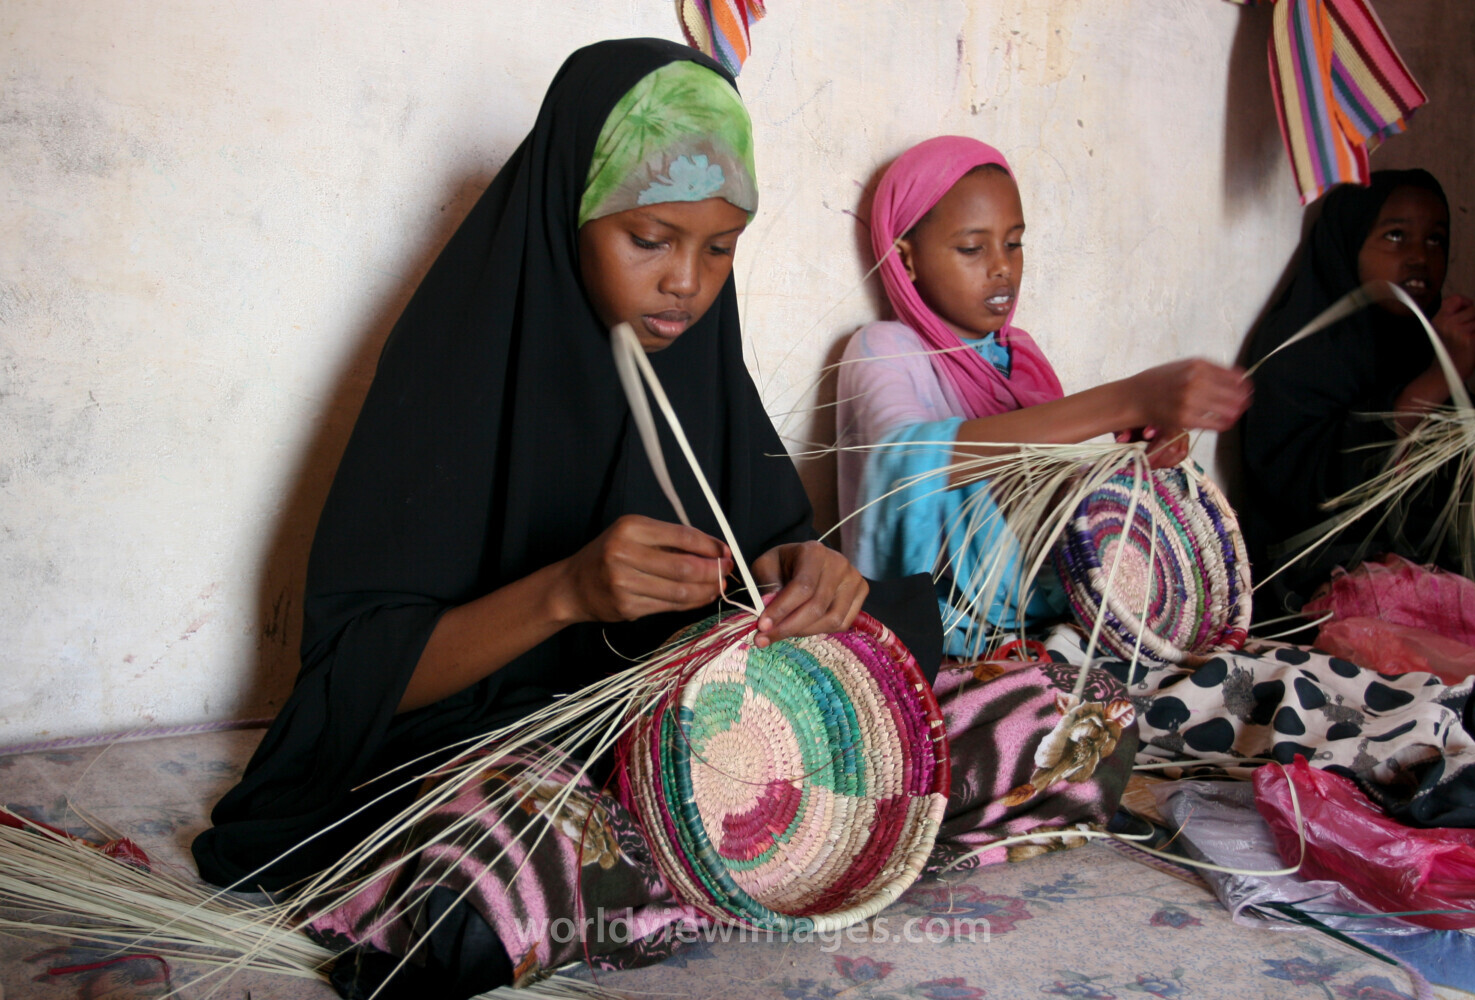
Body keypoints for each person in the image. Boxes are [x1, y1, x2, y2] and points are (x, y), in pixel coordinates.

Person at [191, 39, 940, 997]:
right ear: (568, 214)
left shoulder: (700, 364)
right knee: (497, 871)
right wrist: (566, 593)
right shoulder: (452, 372)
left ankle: (675, 868)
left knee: (936, 682)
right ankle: (611, 880)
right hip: (497, 750)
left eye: (721, 249)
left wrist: (807, 573)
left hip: (674, 743)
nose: (687, 284)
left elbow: (762, 572)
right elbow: (351, 680)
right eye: (650, 239)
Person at [837, 136, 1251, 658]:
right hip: (934, 635)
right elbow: (907, 463)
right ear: (906, 258)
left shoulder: (1020, 358)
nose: (1002, 267)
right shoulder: (883, 348)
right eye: (972, 248)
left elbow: (1041, 493)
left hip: (1043, 618)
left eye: (1014, 243)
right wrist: (1124, 400)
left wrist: (1127, 467)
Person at [1240, 169, 1475, 609]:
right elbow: (1314, 493)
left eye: (1436, 240)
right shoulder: (1298, 350)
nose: (1419, 257)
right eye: (1396, 236)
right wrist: (1440, 375)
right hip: (1314, 581)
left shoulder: (1421, 341)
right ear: (1347, 244)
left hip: (1426, 576)